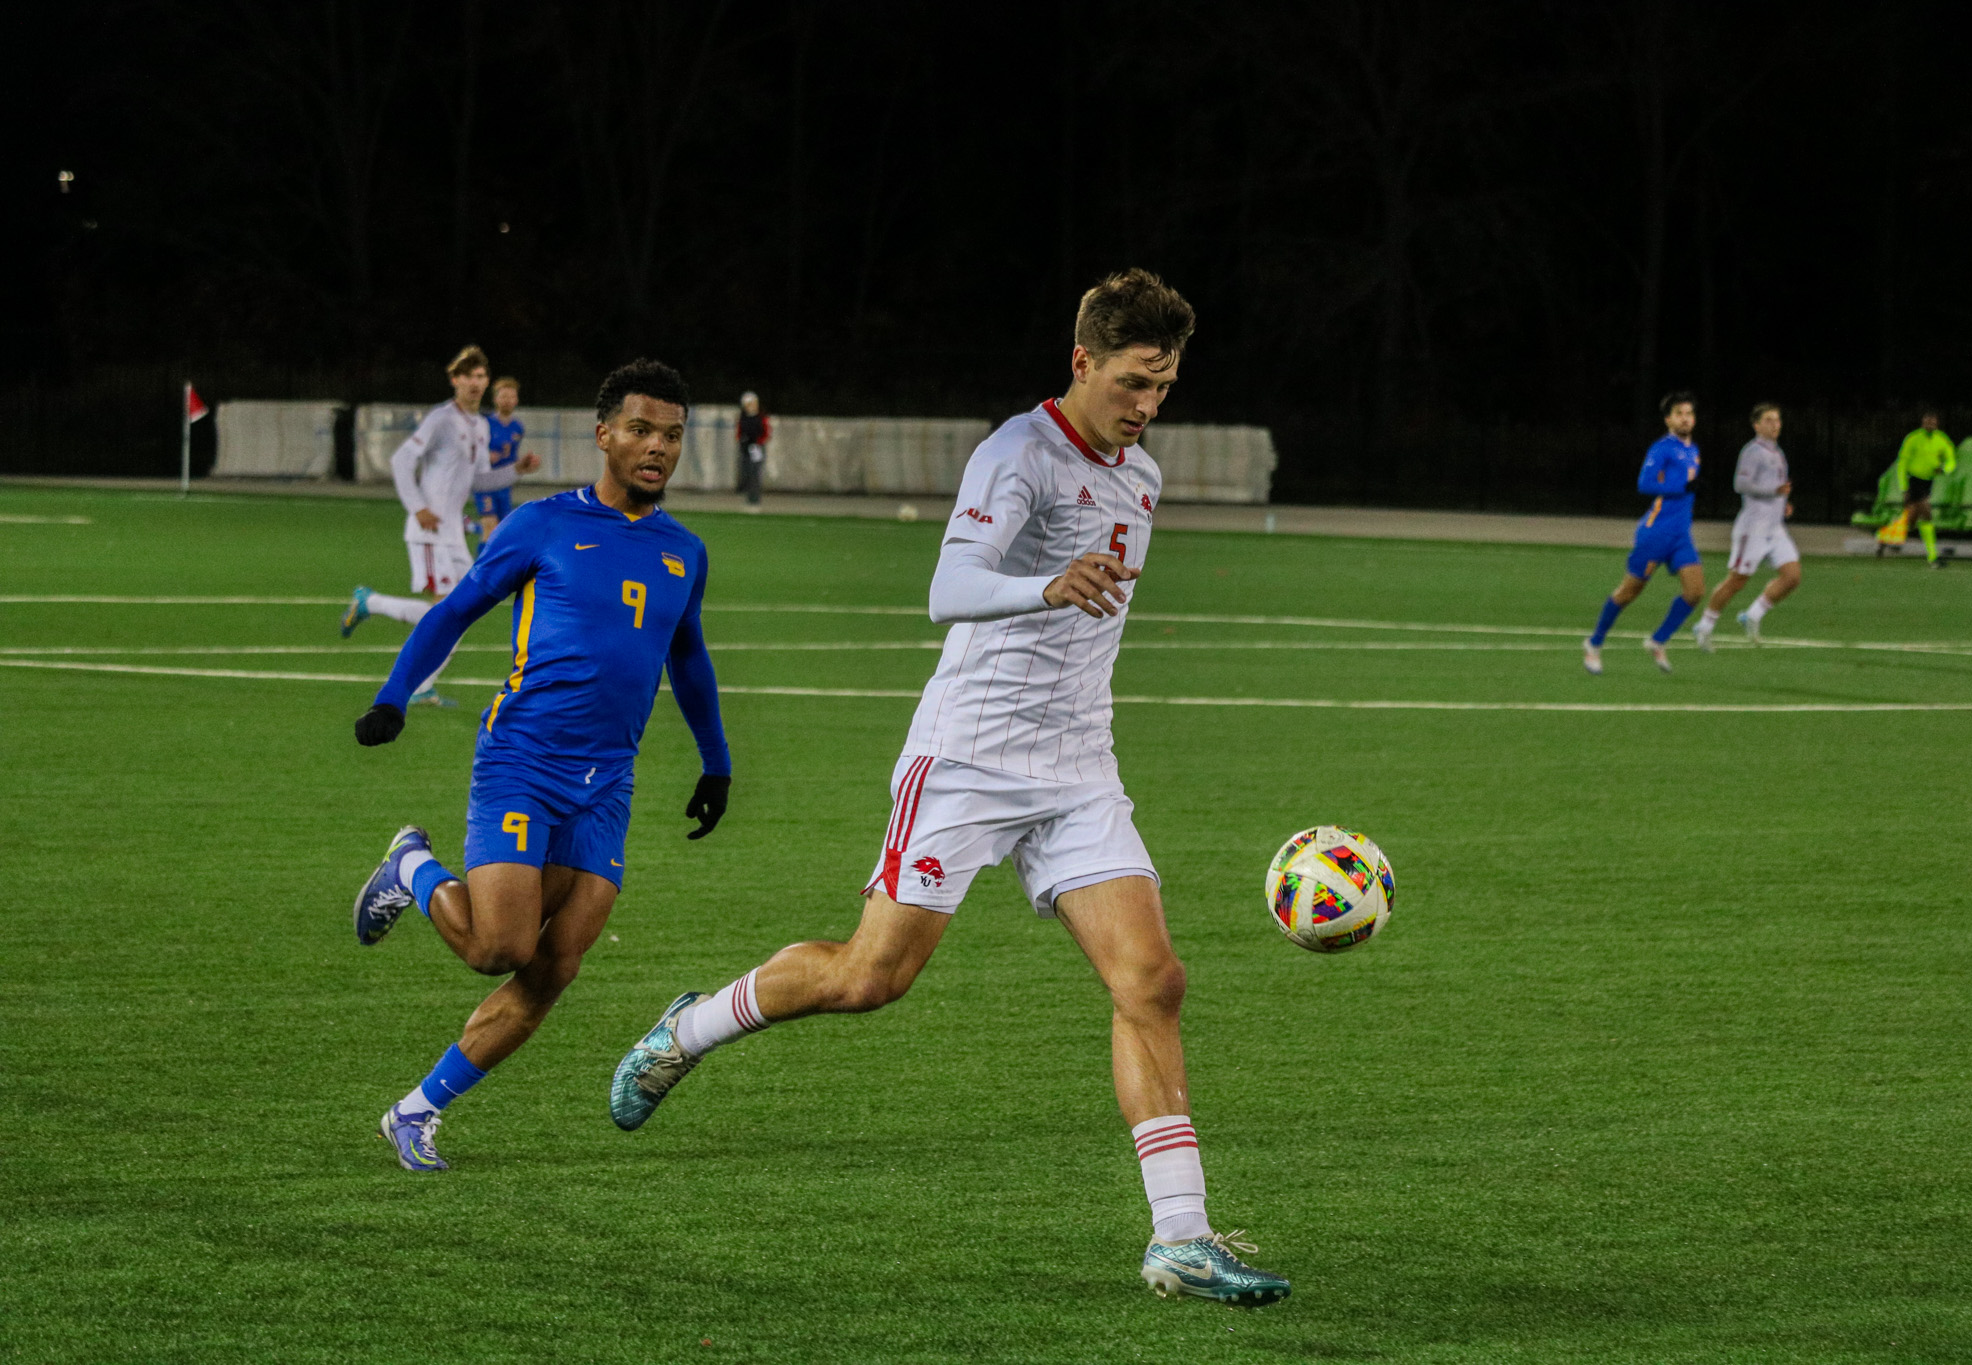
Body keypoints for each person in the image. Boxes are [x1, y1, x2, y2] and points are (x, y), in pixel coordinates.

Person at [606, 270, 1290, 1309]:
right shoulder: (1017, 454)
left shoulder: (1137, 478)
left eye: (1163, 386)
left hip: (1076, 766)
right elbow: (947, 588)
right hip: (966, 758)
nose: (1148, 404)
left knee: (1151, 980)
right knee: (868, 978)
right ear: (1082, 363)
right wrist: (1042, 585)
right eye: (1134, 382)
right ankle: (690, 1028)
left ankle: (1180, 1237)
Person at [346, 357, 734, 1173]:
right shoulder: (544, 524)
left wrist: (716, 762)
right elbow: (454, 611)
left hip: (607, 783)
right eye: (639, 429)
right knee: (499, 948)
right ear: (604, 436)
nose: (656, 447)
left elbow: (689, 660)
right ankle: (409, 867)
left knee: (556, 965)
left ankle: (416, 1112)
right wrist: (393, 695)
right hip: (523, 758)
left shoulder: (684, 552)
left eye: (671, 434)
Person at [339, 345, 491, 708]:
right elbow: (401, 460)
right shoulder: (441, 418)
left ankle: (420, 680)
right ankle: (371, 603)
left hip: (453, 534)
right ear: (455, 380)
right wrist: (418, 507)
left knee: (462, 612)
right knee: (446, 613)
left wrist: (516, 471)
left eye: (481, 375)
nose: (475, 382)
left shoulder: (481, 426)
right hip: (429, 531)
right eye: (468, 375)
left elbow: (482, 481)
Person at [1584, 391, 1704, 675]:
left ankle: (1658, 640)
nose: (1685, 418)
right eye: (1679, 414)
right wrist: (1680, 489)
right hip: (1655, 532)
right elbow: (1645, 483)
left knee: (1695, 591)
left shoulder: (1693, 450)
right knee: (1628, 592)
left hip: (1680, 536)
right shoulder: (1662, 448)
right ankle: (1594, 643)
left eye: (1689, 413)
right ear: (1668, 419)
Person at [1694, 402, 1801, 649]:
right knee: (1737, 581)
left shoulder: (1777, 453)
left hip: (1775, 529)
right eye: (1769, 420)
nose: (1775, 424)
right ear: (1757, 425)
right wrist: (1773, 491)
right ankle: (1705, 625)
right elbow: (1741, 485)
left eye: (1777, 420)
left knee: (1792, 576)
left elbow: (1773, 489)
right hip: (1753, 528)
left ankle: (1752, 615)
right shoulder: (1752, 451)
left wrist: (1782, 502)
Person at [1881, 409, 1956, 566]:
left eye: (1933, 421)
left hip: (1928, 482)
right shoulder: (1913, 439)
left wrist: (1944, 469)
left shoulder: (1941, 440)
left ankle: (1885, 538)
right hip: (1914, 480)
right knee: (1927, 513)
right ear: (1923, 423)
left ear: (1937, 423)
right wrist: (1904, 487)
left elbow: (1951, 460)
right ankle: (1933, 557)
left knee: (1912, 519)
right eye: (1927, 421)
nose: (1930, 424)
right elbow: (1902, 463)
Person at [473, 376, 541, 543]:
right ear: (496, 399)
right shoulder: (484, 423)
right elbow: (470, 449)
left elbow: (512, 459)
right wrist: (484, 456)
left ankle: (470, 527)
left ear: (516, 400)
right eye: (503, 396)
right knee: (490, 527)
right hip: (485, 482)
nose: (507, 401)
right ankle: (482, 569)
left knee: (503, 532)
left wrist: (527, 465)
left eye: (511, 397)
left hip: (503, 485)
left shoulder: (517, 427)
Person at [735, 390, 770, 511]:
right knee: (746, 473)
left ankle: (754, 499)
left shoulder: (761, 417)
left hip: (756, 448)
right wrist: (741, 441)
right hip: (745, 448)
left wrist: (758, 443)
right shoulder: (743, 417)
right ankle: (748, 497)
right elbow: (739, 432)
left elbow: (766, 432)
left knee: (755, 473)